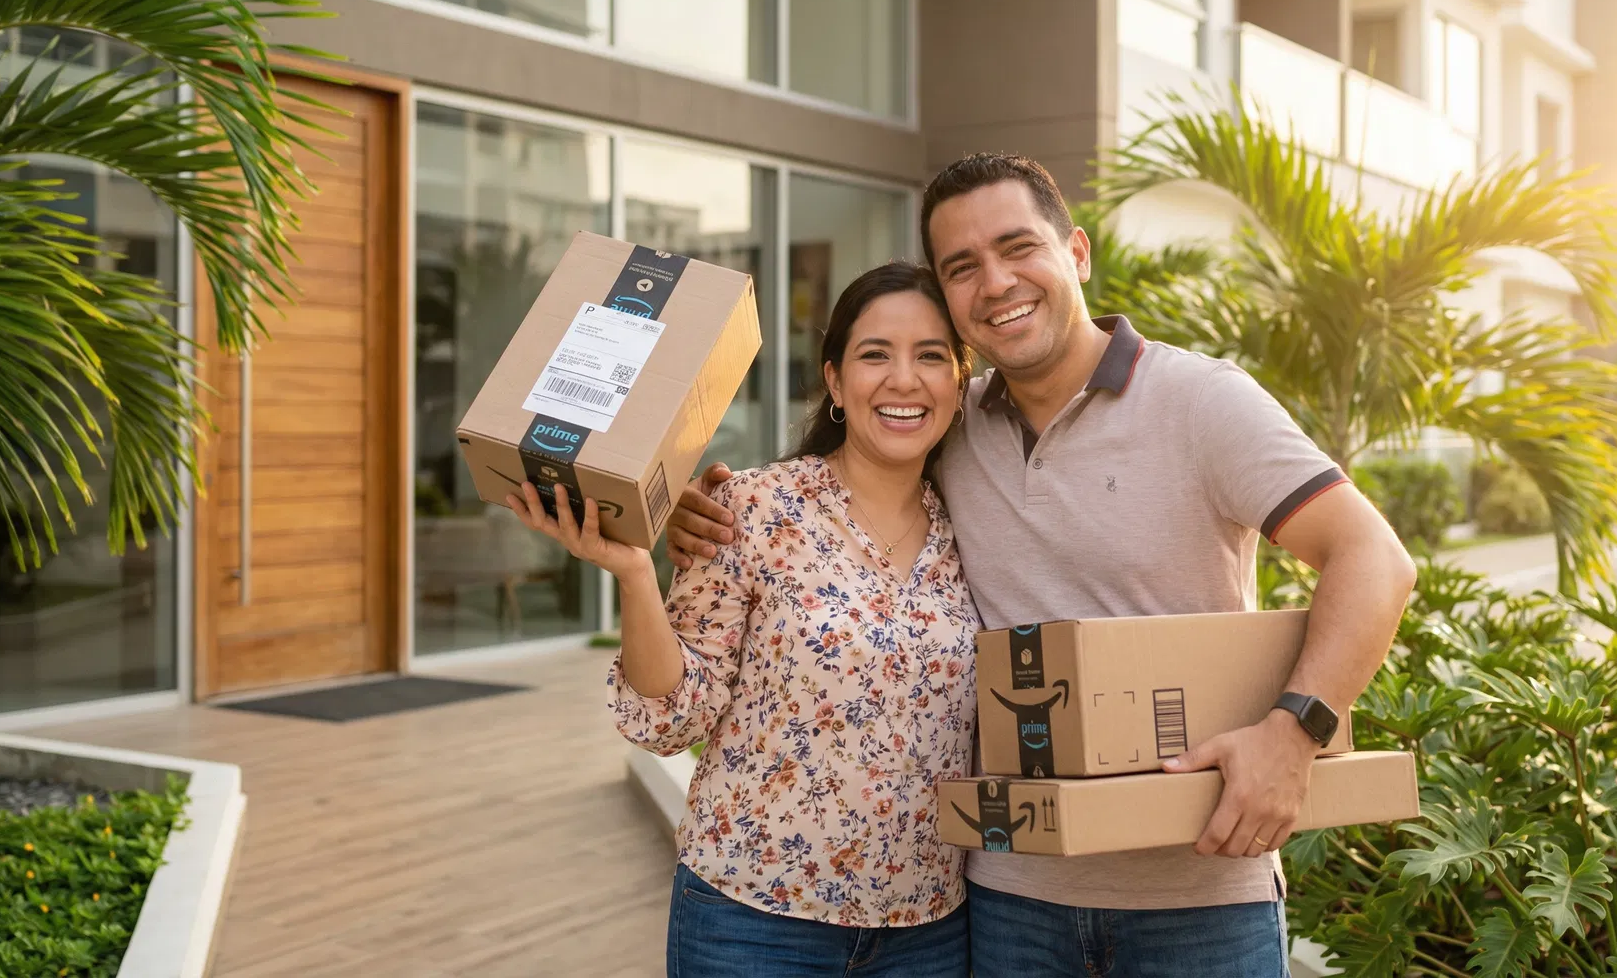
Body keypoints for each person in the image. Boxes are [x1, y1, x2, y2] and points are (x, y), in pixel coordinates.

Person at [667, 153, 1417, 976]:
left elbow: (1373, 558)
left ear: (1077, 253)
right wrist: (702, 516)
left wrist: (1294, 736)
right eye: (962, 267)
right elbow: (842, 488)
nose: (995, 282)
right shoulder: (953, 424)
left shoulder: (1203, 402)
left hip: (1199, 890)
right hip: (1010, 896)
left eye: (1017, 247)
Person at [509, 261, 979, 977]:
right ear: (833, 383)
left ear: (960, 382)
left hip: (927, 930)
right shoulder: (750, 509)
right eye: (875, 354)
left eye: (931, 356)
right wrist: (636, 572)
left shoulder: (974, 529)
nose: (904, 379)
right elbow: (671, 719)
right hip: (754, 920)